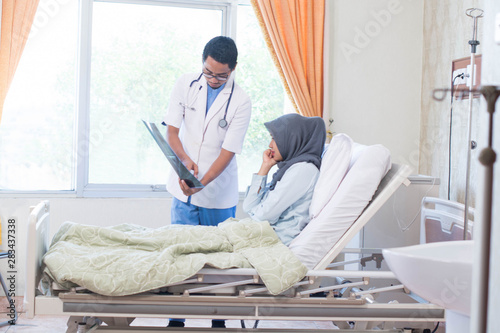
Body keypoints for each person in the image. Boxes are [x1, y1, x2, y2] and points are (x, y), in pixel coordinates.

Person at [162, 36, 251, 328]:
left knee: (219, 260)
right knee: (180, 254)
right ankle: (177, 319)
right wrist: (186, 165)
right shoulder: (186, 84)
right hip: (184, 187)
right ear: (203, 63)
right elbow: (173, 133)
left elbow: (228, 151)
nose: (213, 79)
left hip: (218, 192)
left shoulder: (241, 100)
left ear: (233, 69)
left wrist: (204, 180)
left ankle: (219, 321)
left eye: (221, 75)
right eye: (209, 72)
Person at [243, 113, 326, 246]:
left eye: (274, 138)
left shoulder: (303, 170)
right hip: (267, 235)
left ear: (293, 138)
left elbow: (263, 216)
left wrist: (257, 212)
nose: (270, 145)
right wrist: (265, 167)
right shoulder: (289, 168)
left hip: (276, 240)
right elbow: (248, 206)